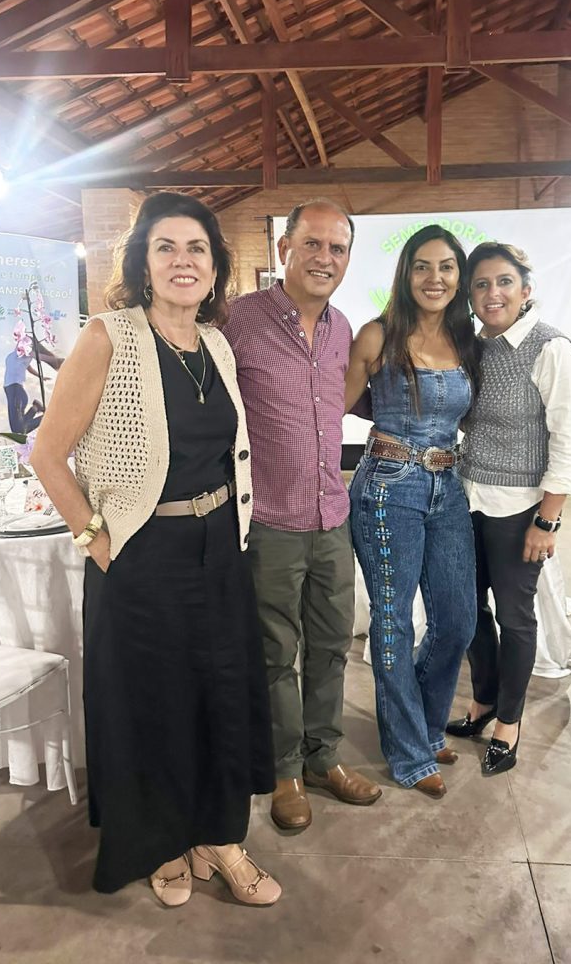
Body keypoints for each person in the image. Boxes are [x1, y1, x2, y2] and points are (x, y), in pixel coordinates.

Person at [31, 192, 280, 907]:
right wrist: (94, 538)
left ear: (215, 267)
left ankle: (219, 838)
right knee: (155, 703)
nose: (182, 260)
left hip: (219, 548)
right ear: (143, 262)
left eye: (196, 248)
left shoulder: (217, 345)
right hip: (141, 554)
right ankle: (163, 842)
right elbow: (47, 454)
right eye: (165, 247)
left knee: (221, 695)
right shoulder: (108, 336)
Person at [223, 198, 382, 832]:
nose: (324, 258)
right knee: (274, 653)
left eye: (337, 248)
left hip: (331, 516)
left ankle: (324, 758)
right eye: (312, 244)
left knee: (333, 645)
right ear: (284, 248)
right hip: (270, 519)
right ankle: (284, 768)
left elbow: (342, 405)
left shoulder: (343, 328)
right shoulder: (238, 320)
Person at [346, 224, 479, 798]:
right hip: (387, 487)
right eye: (423, 266)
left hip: (448, 487)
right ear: (406, 273)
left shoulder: (465, 339)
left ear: (459, 275)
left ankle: (424, 725)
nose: (435, 277)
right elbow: (336, 405)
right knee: (393, 621)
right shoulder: (377, 335)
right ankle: (408, 750)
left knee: (458, 620)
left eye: (446, 266)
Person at [446, 241, 571, 775]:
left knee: (514, 617)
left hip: (520, 508)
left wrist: (547, 520)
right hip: (465, 500)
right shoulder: (473, 347)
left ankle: (509, 721)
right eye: (480, 284)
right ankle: (483, 701)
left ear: (526, 289)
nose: (492, 293)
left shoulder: (552, 348)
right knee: (469, 611)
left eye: (504, 281)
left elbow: (568, 441)